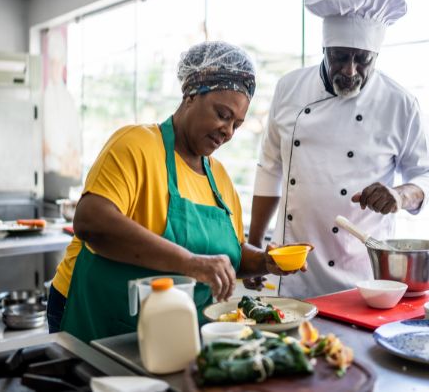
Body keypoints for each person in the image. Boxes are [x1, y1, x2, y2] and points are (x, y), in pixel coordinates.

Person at [48, 41, 305, 342]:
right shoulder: (136, 145)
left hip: (175, 329)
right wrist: (190, 263)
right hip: (102, 319)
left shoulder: (220, 178)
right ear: (191, 94)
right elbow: (91, 222)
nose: (228, 131)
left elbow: (228, 256)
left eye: (237, 124)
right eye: (222, 114)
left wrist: (264, 261)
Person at [245, 0, 429, 299]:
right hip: (294, 268)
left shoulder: (399, 102)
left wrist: (401, 194)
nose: (350, 71)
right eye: (339, 57)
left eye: (362, 60)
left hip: (364, 272)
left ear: (376, 55)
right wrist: (253, 249)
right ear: (324, 50)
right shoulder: (289, 88)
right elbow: (270, 169)